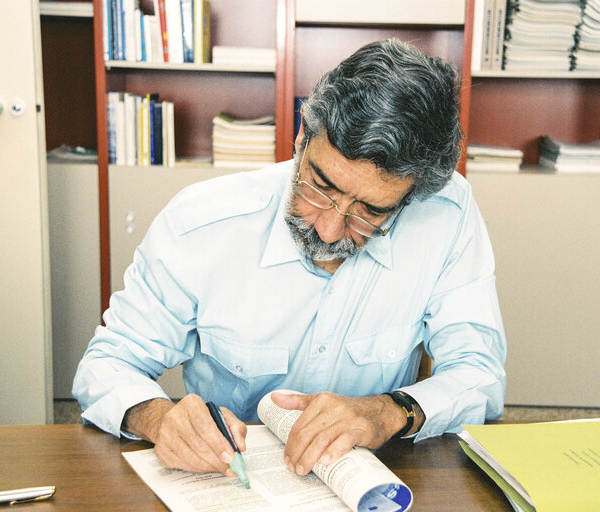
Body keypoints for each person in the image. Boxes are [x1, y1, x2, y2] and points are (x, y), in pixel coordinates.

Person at [73, 38, 506, 480]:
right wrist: (158, 418)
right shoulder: (201, 224)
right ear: (302, 137)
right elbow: (108, 363)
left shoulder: (446, 215)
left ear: (411, 196)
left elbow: (480, 374)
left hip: (370, 480)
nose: (330, 229)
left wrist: (392, 411)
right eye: (321, 187)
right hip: (230, 483)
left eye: (372, 211)